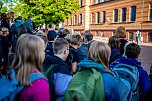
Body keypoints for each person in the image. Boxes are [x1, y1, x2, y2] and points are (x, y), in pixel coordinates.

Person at [11, 34, 50, 101]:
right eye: (43, 51)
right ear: (37, 55)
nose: (44, 54)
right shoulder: (40, 84)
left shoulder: (11, 75)